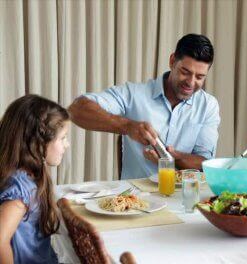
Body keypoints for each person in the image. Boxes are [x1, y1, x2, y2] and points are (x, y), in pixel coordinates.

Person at [69, 34, 221, 180]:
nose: (191, 82)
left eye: (200, 77)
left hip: (182, 199)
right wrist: (127, 126)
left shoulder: (208, 106)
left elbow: (205, 164)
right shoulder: (133, 94)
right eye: (185, 72)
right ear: (172, 61)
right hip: (135, 200)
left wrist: (170, 159)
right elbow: (76, 110)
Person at [0, 95, 71, 263]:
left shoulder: (29, 176)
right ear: (38, 143)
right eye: (62, 138)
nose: (66, 145)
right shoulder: (21, 189)